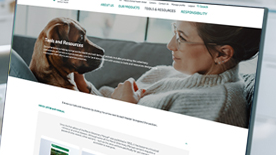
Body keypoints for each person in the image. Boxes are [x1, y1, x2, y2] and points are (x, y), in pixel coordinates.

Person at [74, 21, 261, 128]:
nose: (170, 45)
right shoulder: (168, 72)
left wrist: (125, 110)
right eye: (175, 33)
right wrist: (84, 87)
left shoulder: (216, 105)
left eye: (182, 38)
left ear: (222, 54)